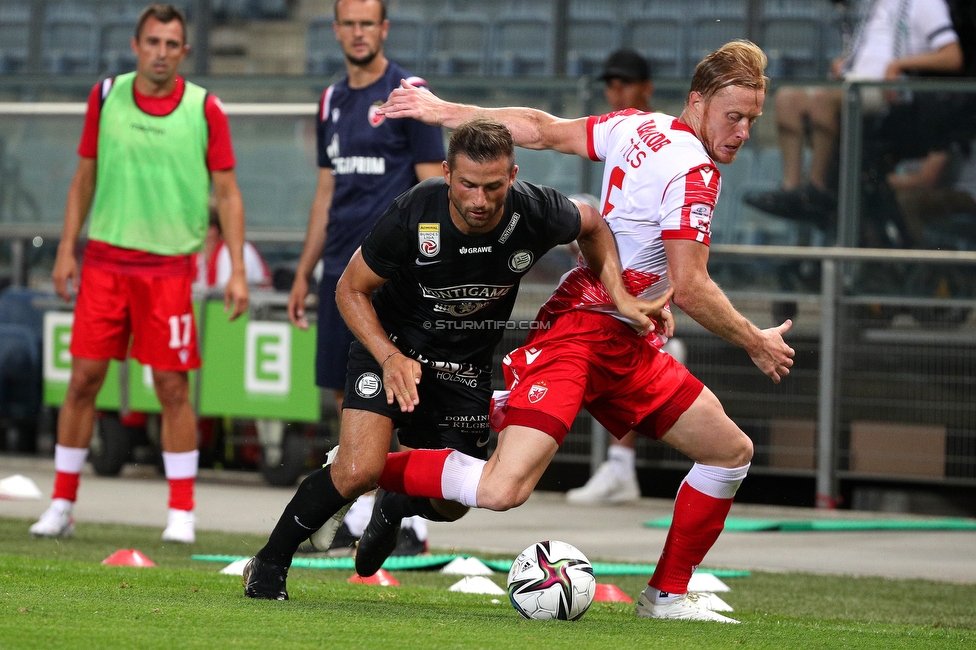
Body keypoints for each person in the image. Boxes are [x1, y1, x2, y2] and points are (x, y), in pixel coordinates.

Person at [366, 40, 795, 624]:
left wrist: (448, 110)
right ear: (698, 101)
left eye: (752, 120)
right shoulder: (694, 169)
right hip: (584, 330)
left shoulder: (638, 125)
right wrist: (755, 339)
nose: (742, 131)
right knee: (501, 490)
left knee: (728, 452)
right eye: (733, 116)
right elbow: (693, 286)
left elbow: (539, 129)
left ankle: (665, 596)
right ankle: (360, 467)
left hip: (625, 335)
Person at [242, 118, 672, 600]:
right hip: (391, 348)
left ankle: (396, 503)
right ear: (447, 173)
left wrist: (618, 293)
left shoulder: (535, 210)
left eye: (493, 186)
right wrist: (387, 356)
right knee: (358, 468)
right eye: (467, 184)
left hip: (465, 368)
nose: (479, 200)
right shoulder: (413, 212)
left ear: (513, 176)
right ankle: (270, 562)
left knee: (456, 504)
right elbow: (349, 288)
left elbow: (592, 226)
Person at [29, 4, 249, 544]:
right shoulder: (105, 97)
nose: (160, 52)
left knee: (173, 386)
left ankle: (181, 513)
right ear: (136, 45)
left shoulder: (205, 109)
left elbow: (228, 193)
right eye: (152, 42)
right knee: (83, 381)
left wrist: (238, 269)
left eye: (171, 44)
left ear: (184, 52)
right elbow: (83, 178)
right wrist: (66, 249)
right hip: (104, 262)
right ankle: (61, 503)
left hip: (169, 268)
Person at [286, 0, 445, 556]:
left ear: (383, 29)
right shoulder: (331, 99)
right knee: (346, 392)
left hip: (396, 275)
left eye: (367, 23)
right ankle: (357, 509)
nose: (358, 33)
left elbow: (434, 187)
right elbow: (326, 191)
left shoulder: (409, 95)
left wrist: (432, 267)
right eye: (348, 24)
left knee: (407, 393)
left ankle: (412, 519)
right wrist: (306, 271)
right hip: (339, 271)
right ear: (336, 31)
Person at [566, 47, 688, 506]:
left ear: (646, 88)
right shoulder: (614, 133)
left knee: (599, 354)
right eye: (610, 84)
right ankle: (621, 467)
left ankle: (621, 468)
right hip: (613, 287)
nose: (615, 92)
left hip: (648, 290)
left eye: (625, 83)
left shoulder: (666, 144)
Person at [744, 0, 963, 227]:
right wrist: (846, 62)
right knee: (787, 97)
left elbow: (952, 56)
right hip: (852, 83)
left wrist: (899, 66)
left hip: (888, 92)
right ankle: (792, 185)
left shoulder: (925, 3)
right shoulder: (873, 6)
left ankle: (817, 187)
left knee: (822, 97)